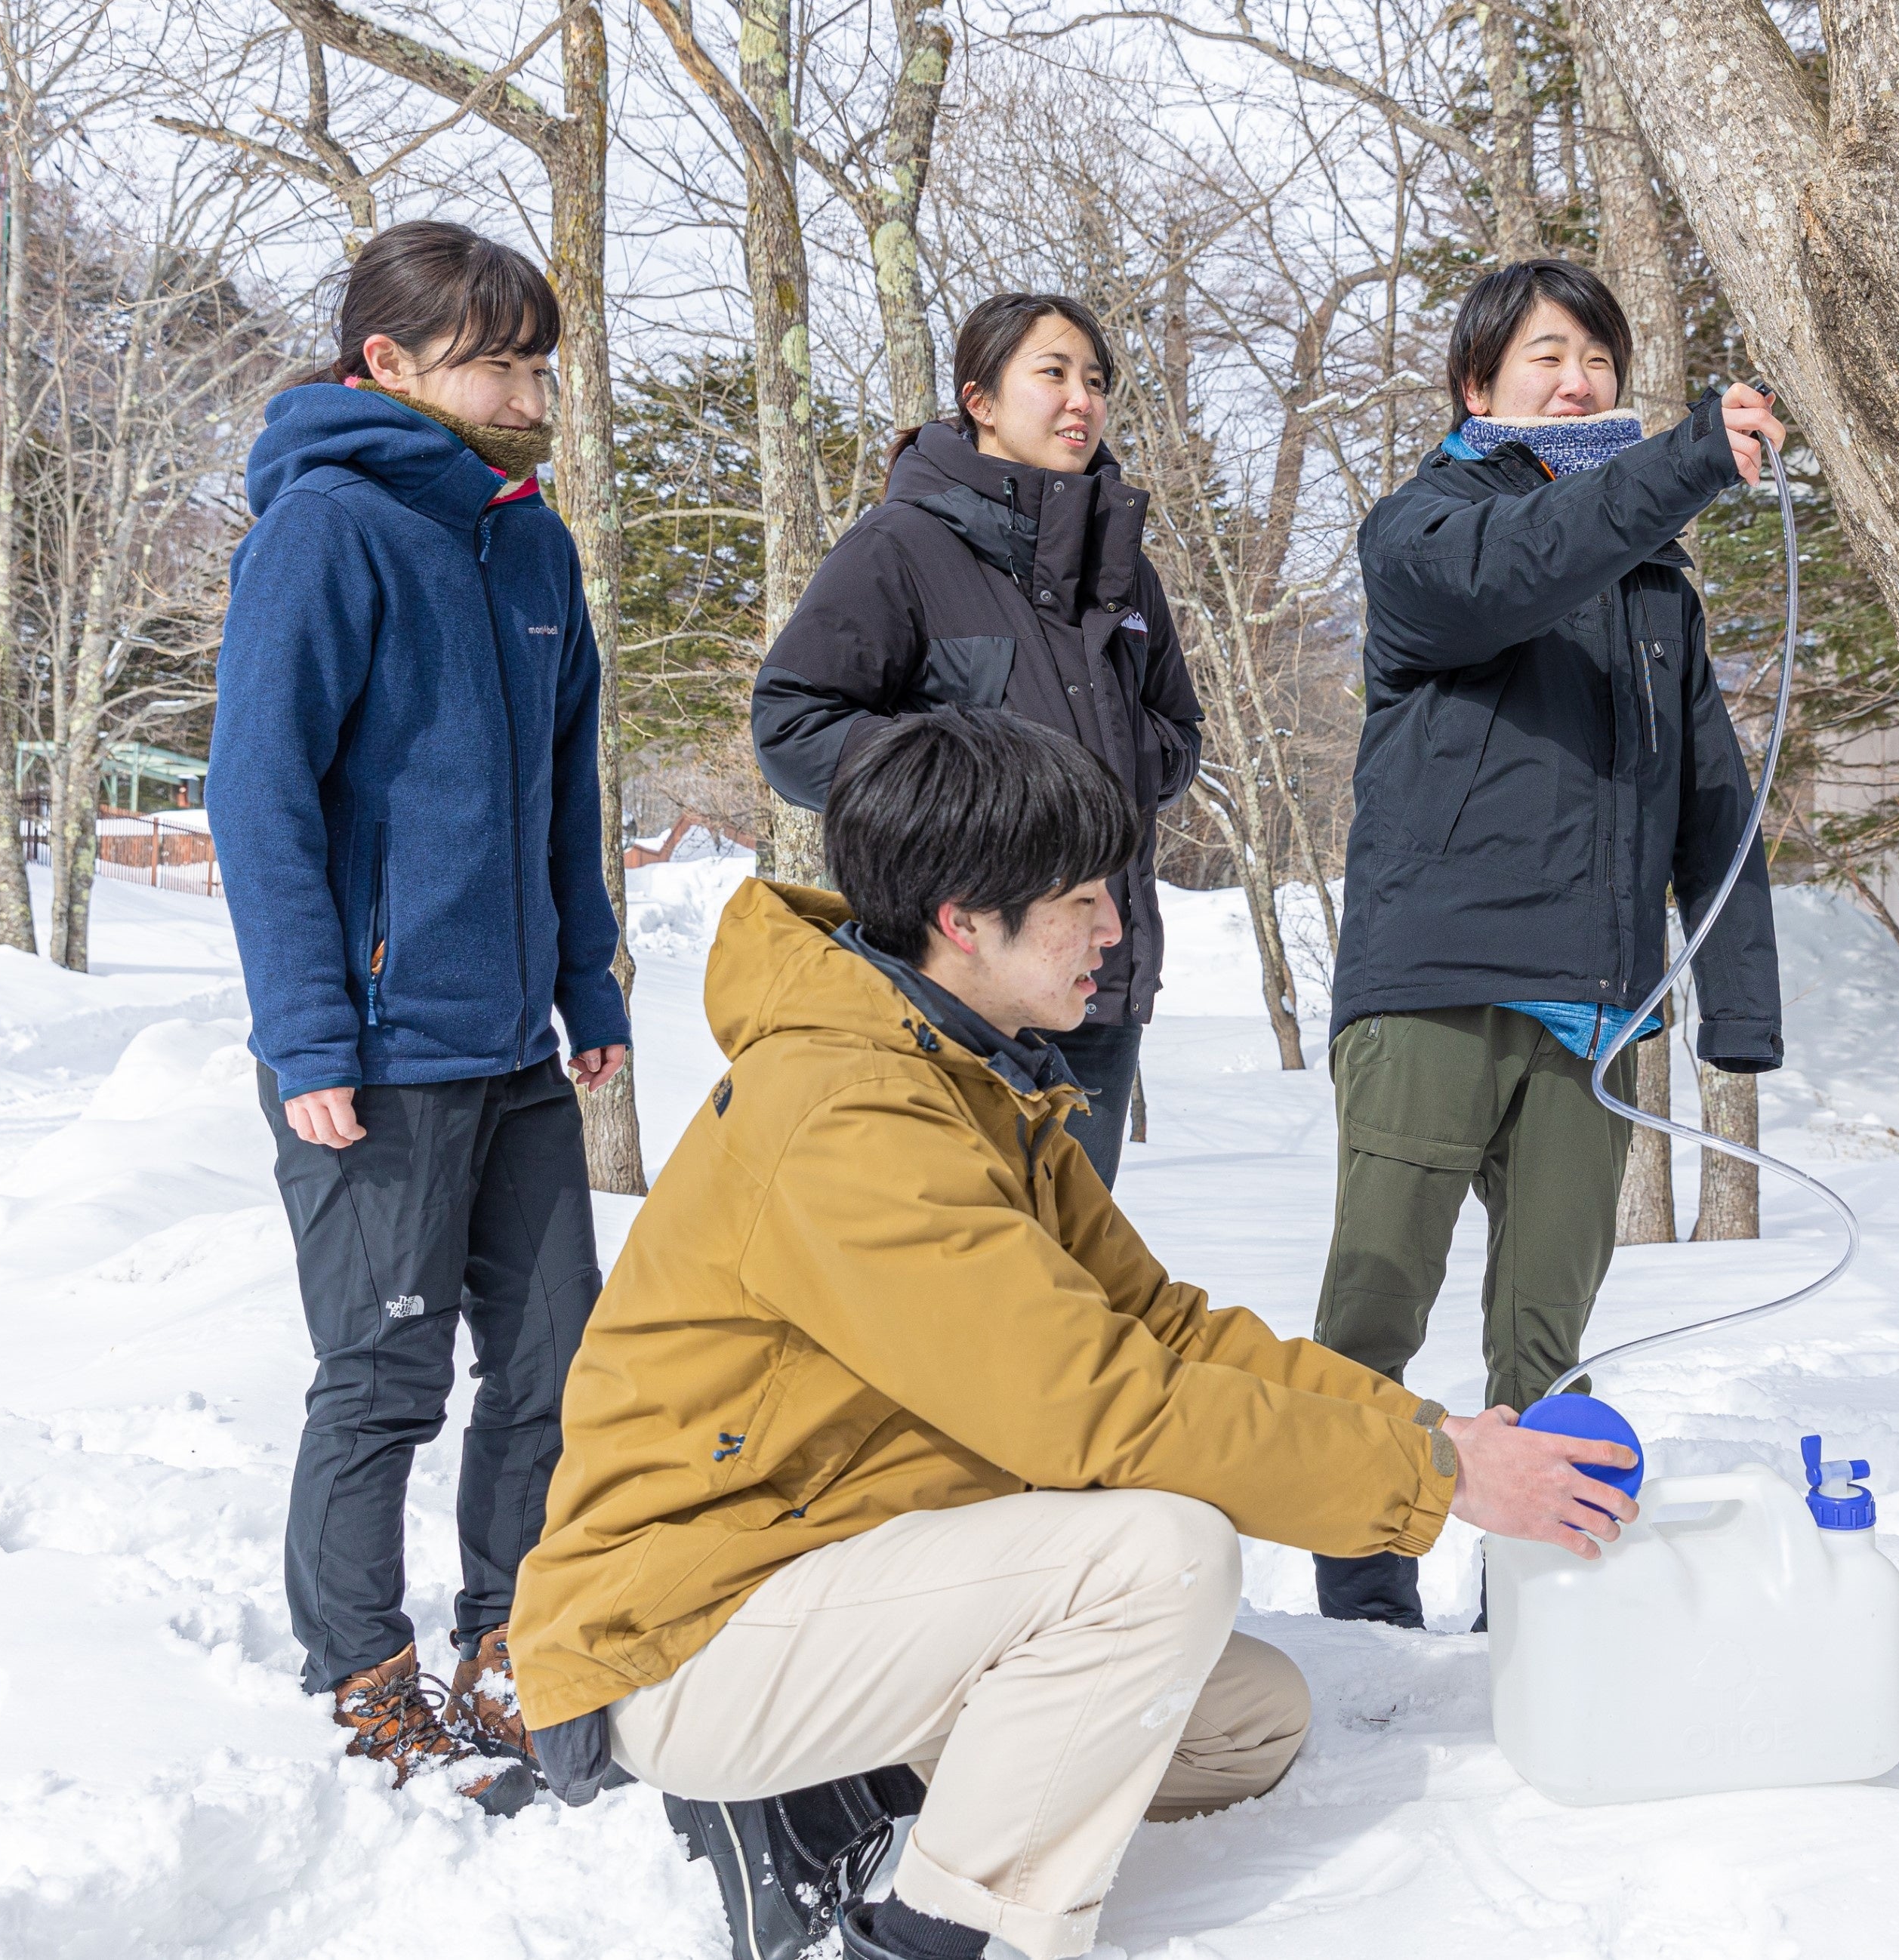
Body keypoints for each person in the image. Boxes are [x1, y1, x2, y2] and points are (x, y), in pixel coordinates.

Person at [508, 709, 1635, 1960]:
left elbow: (1165, 1331)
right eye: (1083, 898)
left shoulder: (971, 1080)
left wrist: (1433, 1433)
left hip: (840, 1569)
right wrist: (1445, 1484)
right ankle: (947, 1934)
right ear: (959, 915)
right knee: (1160, 1560)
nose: (1115, 927)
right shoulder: (846, 1112)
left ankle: (827, 1794)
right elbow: (1100, 1409)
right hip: (690, 1621)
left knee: (1247, 1721)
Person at [207, 220, 630, 1803]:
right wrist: (311, 1035)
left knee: (548, 1365)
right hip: (370, 1058)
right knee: (383, 1377)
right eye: (499, 358)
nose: (532, 387)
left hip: (514, 1042)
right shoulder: (324, 528)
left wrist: (587, 982)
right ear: (387, 363)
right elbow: (257, 798)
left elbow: (558, 797)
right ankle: (362, 1664)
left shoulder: (531, 542)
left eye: (540, 358)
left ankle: (508, 1629)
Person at [1309, 259, 1789, 1632]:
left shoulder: (1652, 587)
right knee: (1375, 1311)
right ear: (1479, 386)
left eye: (1596, 362)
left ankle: (1529, 1604)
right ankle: (1363, 1605)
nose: (1576, 382)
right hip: (1433, 990)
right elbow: (1523, 568)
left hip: (1599, 1009)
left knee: (1547, 1340)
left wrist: (1735, 1013)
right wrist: (1692, 456)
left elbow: (1715, 799)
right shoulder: (1425, 529)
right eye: (1545, 357)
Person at [749, 293, 1202, 1188]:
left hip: (1093, 981)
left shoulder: (1122, 565)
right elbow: (793, 726)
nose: (1082, 399)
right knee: (955, 1272)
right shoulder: (900, 547)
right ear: (980, 401)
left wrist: (1099, 774)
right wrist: (972, 788)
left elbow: (1178, 734)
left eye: (1097, 380)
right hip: (954, 987)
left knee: (1072, 1282)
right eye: (1053, 373)